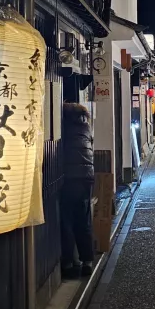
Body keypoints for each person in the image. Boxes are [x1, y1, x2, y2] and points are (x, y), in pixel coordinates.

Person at [60, 103, 95, 279]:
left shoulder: (63, 127)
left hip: (68, 178)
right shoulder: (86, 127)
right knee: (84, 219)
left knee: (67, 222)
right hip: (87, 178)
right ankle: (87, 261)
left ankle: (68, 264)